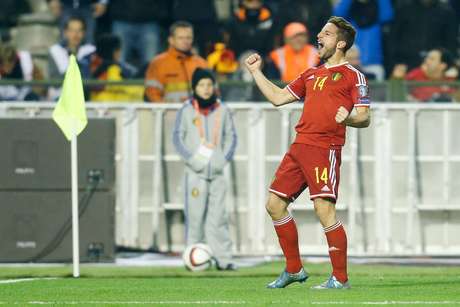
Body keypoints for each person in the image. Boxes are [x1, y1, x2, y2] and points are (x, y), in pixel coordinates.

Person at [245, 16, 370, 289]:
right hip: (299, 146)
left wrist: (347, 118)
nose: (318, 37)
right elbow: (278, 98)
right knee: (274, 205)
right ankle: (294, 269)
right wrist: (256, 73)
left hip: (325, 148)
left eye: (325, 33)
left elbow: (364, 117)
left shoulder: (353, 75)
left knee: (324, 210)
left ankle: (340, 278)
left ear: (340, 43)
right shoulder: (311, 74)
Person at [173, 68, 237, 270]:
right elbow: (177, 138)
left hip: (217, 173)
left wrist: (221, 160)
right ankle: (193, 258)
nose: (206, 89)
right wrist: (193, 161)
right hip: (195, 174)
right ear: (194, 88)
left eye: (209, 85)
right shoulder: (186, 110)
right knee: (195, 217)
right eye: (201, 85)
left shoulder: (223, 109)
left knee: (219, 218)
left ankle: (223, 260)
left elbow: (231, 138)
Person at [144, 21, 208, 103]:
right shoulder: (158, 63)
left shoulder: (201, 63)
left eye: (188, 38)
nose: (185, 41)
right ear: (171, 40)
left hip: (196, 114)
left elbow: (212, 93)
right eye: (180, 38)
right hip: (167, 113)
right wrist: (167, 111)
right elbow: (152, 93)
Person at [48, 16, 95, 100]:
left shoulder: (90, 51)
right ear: (65, 32)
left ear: (84, 33)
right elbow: (55, 82)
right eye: (72, 30)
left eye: (79, 30)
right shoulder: (55, 51)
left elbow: (90, 79)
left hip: (84, 97)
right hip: (60, 97)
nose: (75, 34)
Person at [90, 34, 142, 102]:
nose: (119, 53)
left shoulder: (91, 67)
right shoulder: (114, 70)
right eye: (119, 50)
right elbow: (116, 86)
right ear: (115, 52)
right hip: (109, 107)